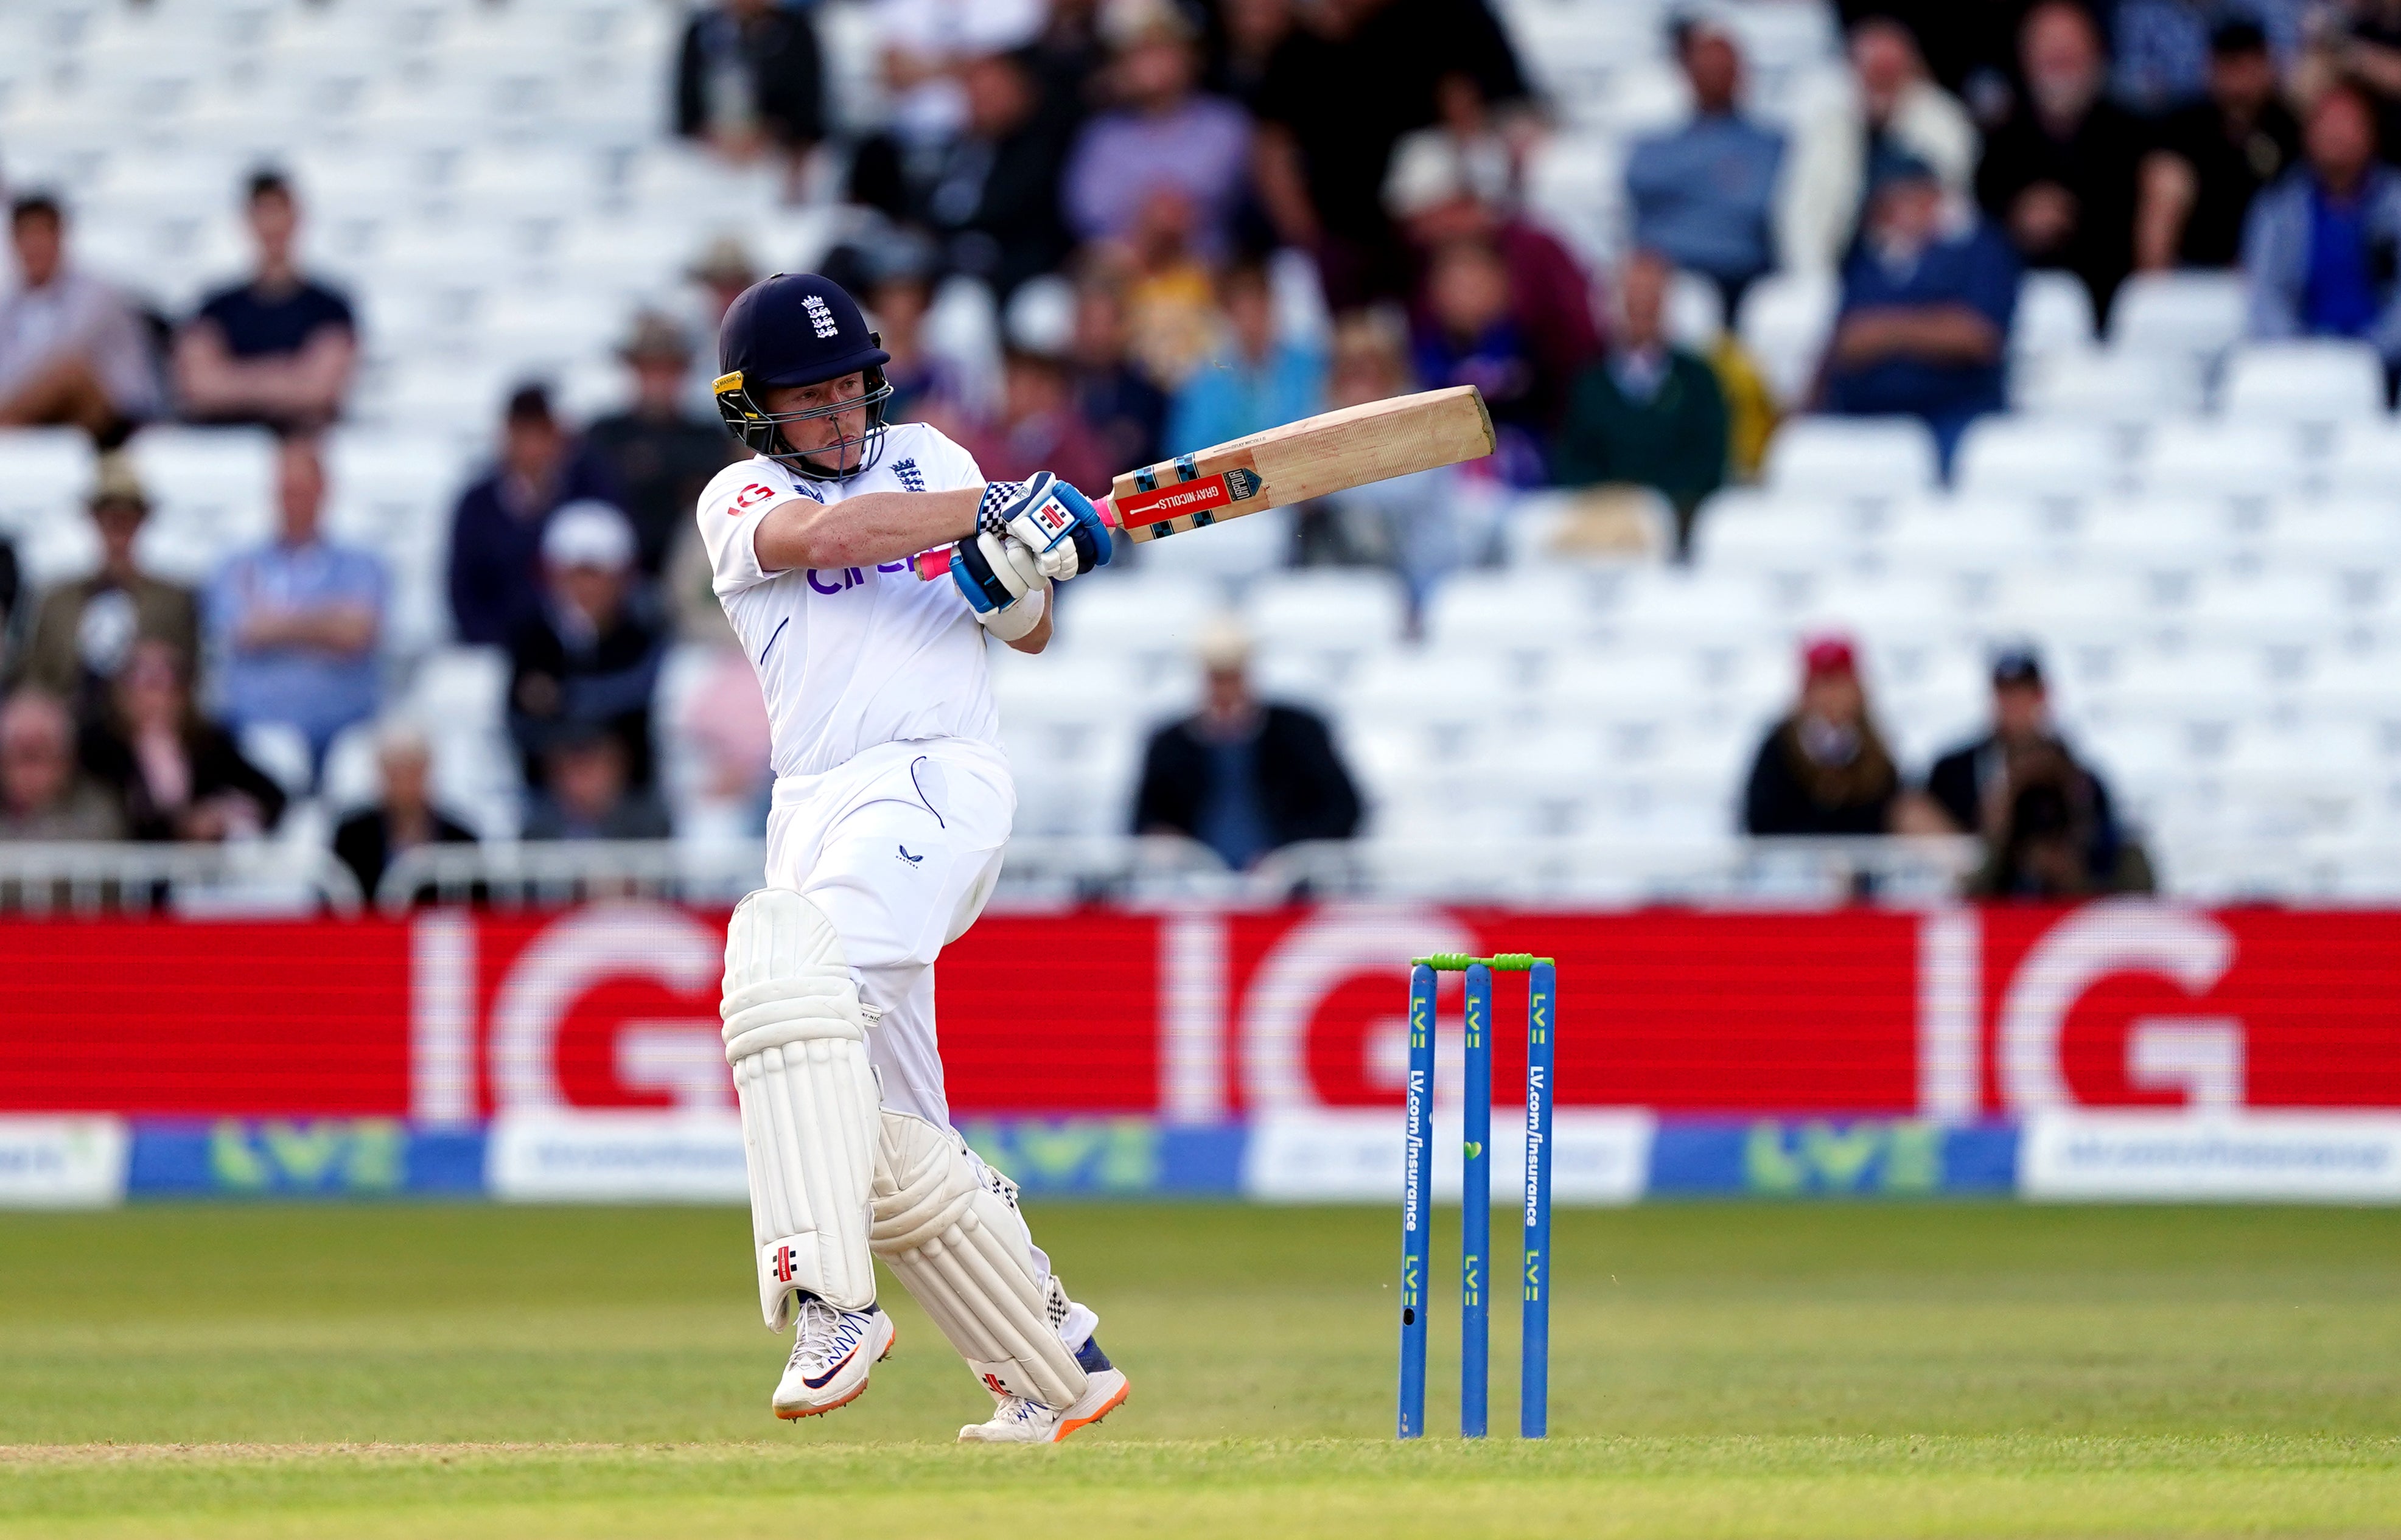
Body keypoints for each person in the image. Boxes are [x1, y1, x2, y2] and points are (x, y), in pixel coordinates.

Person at [694, 269, 1126, 1436]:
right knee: (883, 1126)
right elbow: (833, 534)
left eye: (849, 392)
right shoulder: (737, 496)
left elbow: (1024, 631)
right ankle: (1053, 1360)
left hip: (936, 777)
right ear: (757, 411)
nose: (838, 419)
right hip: (816, 808)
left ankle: (831, 1296)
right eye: (810, 401)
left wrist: (1019, 570)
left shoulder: (933, 457)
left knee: (793, 1000)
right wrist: (999, 512)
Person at [1251, 0, 1533, 307]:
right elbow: (1272, 151)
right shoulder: (1298, 47)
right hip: (1338, 239)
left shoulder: (1437, 23)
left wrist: (1460, 205)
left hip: (1424, 234)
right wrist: (1310, 241)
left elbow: (1470, 113)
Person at [1384, 130, 1602, 425]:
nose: (1415, 236)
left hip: (1552, 422)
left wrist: (1510, 322)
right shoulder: (1426, 265)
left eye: (1421, 221)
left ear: (1454, 203)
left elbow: (1581, 345)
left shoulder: (1536, 248)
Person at [1822, 156, 2019, 472]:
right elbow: (1848, 342)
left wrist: (1888, 331)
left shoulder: (1979, 249)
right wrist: (1932, 326)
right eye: (1885, 204)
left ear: (1933, 199)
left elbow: (1977, 337)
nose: (1892, 214)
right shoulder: (1869, 258)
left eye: (1903, 200)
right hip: (1866, 415)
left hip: (1955, 415)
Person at [207, 437, 386, 768]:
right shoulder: (240, 563)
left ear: (324, 491)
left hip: (346, 731)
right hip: (254, 734)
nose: (293, 503)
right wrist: (327, 620)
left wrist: (278, 622)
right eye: (286, 491)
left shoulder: (362, 563)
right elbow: (245, 632)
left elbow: (355, 635)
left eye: (303, 491)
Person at [1133, 621, 1362, 868]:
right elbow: (1145, 819)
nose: (1225, 690)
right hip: (1194, 885)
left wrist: (1291, 855)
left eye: (1232, 677)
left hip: (1291, 881)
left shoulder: (1299, 733)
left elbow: (1342, 808)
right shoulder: (1171, 743)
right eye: (1217, 678)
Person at [1925, 646, 2150, 895]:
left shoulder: (2080, 776)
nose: (2015, 706)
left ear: (2043, 696)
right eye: (2006, 694)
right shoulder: (1953, 772)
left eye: (2024, 694)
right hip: (1987, 890)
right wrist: (1996, 822)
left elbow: (2101, 841)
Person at [1976, 1, 2150, 322]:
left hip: (2112, 308)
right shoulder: (1998, 142)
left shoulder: (2131, 136)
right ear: (2025, 58)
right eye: (2047, 47)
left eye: (2070, 47)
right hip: (2011, 309)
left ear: (2097, 54)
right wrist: (2017, 219)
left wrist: (2072, 216)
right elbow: (1977, 223)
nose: (2059, 58)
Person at [1553, 249, 1731, 552]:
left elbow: (1708, 462)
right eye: (1632, 298)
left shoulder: (1699, 380)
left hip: (1681, 529)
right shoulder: (1589, 382)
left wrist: (1656, 506)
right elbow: (1572, 460)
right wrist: (1615, 500)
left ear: (1667, 304)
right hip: (1599, 525)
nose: (1641, 307)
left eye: (1651, 298)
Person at [1781, 18, 1980, 274]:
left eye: (1891, 71)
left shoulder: (1944, 124)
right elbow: (1801, 213)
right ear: (1855, 70)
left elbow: (1957, 208)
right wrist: (1814, 276)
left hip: (1926, 266)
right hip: (1842, 267)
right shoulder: (1827, 127)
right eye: (1875, 70)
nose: (1882, 80)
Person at [1064, 1, 1253, 264]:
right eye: (1136, 54)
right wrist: (1143, 219)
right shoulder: (1101, 136)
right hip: (1125, 275)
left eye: (1160, 50)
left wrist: (1166, 212)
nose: (1149, 64)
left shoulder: (1225, 123)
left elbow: (1224, 198)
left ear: (1191, 56)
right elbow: (1086, 214)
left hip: (1213, 271)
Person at [1623, 19, 1787, 313]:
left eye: (1726, 67)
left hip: (1748, 277)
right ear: (1688, 73)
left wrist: (1691, 186)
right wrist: (1721, 176)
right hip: (1676, 274)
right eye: (1708, 66)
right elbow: (1639, 180)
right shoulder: (1658, 145)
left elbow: (1757, 202)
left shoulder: (1772, 144)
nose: (1717, 76)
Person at [173, 172, 358, 433]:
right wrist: (286, 378)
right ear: (247, 221)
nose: (272, 224)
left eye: (278, 211)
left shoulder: (330, 307)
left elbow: (320, 391)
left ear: (297, 217)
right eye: (263, 212)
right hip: (225, 449)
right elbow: (199, 388)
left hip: (301, 449)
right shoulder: (215, 307)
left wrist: (234, 380)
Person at [10, 456, 199, 710]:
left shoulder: (175, 601)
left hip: (145, 726)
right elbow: (34, 678)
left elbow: (189, 679)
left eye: (128, 518)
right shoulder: (57, 600)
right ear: (94, 520)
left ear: (142, 521)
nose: (118, 530)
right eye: (110, 518)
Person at [2242, 78, 2401, 379]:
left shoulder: (2396, 205)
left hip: (2388, 370)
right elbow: (2265, 295)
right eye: (2325, 123)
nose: (2335, 133)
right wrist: (2301, 355)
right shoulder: (2277, 209)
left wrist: (2369, 355)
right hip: (2298, 367)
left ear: (2372, 134)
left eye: (2347, 123)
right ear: (2307, 134)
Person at [447, 385, 623, 647]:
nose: (533, 448)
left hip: (584, 645)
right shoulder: (477, 504)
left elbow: (616, 572)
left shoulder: (591, 490)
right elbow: (463, 587)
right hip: (502, 644)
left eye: (541, 434)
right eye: (523, 435)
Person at [508, 501, 665, 793]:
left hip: (631, 791)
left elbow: (641, 696)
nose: (585, 588)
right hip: (546, 793)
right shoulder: (532, 638)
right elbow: (518, 717)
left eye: (596, 575)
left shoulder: (642, 634)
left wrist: (563, 698)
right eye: (575, 575)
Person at [76, 639, 285, 843]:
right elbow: (115, 816)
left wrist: (224, 812)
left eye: (170, 685)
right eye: (148, 685)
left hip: (200, 871)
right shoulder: (99, 746)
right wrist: (182, 826)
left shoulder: (206, 743)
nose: (159, 699)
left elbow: (271, 796)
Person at [917, 49, 1081, 303]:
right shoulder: (955, 149)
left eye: (993, 95)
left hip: (1020, 275)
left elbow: (1016, 215)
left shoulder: (1041, 153)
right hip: (946, 272)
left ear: (1021, 96)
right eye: (976, 95)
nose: (983, 105)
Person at [2138, 20, 2303, 271]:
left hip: (2271, 271)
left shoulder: (2290, 129)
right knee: (2166, 181)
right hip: (2195, 270)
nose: (2239, 86)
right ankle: (2154, 295)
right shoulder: (2184, 127)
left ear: (2269, 69)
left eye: (2249, 70)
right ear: (2210, 70)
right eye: (2229, 69)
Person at [584, 313, 738, 578]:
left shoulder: (708, 437)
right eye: (649, 369)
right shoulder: (605, 435)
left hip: (696, 574)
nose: (658, 380)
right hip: (620, 577)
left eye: (668, 369)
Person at [0, 195, 161, 441]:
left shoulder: (97, 295)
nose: (34, 246)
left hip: (116, 417)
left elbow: (60, 360)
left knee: (69, 371)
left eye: (42, 235)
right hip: (43, 416)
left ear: (61, 237)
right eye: (26, 236)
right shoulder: (11, 307)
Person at [1742, 635, 1901, 836]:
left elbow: (1888, 814)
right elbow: (1760, 819)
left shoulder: (1875, 749)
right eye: (1823, 684)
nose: (1832, 696)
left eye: (1840, 683)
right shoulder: (1780, 745)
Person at [1165, 258, 1325, 456]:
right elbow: (1188, 449)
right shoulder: (1206, 380)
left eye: (1259, 308)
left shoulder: (1309, 366)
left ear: (1272, 306)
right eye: (1243, 311)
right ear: (1229, 315)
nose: (1252, 321)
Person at [675, 0, 827, 193]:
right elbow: (685, 107)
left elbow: (810, 107)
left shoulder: (796, 32)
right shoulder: (700, 32)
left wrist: (770, 135)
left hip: (777, 151)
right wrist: (716, 139)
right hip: (711, 150)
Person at [330, 722, 477, 901]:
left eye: (411, 768)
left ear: (428, 769)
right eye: (394, 770)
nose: (403, 780)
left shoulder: (461, 837)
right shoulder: (352, 836)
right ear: (380, 772)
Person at [965, 346, 1116, 496]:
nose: (1009, 391)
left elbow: (1096, 482)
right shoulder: (989, 435)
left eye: (1019, 383)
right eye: (1010, 381)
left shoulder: (1071, 437)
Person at [0, 687, 124, 840]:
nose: (29, 773)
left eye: (40, 754)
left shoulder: (97, 814)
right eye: (21, 755)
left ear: (65, 762)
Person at [522, 729, 673, 841]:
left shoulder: (650, 827)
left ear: (619, 767)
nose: (578, 782)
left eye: (587, 770)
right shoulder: (537, 833)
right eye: (567, 770)